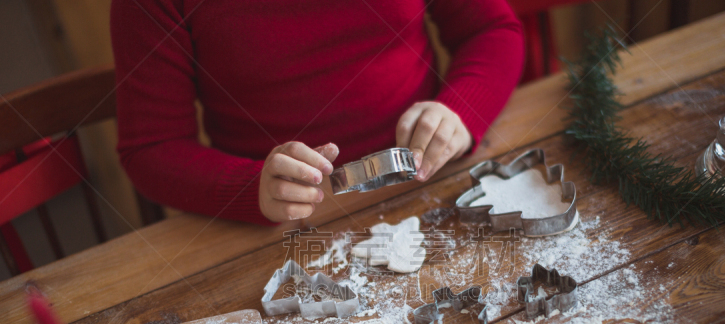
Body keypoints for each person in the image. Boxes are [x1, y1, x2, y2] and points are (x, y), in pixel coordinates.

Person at [111, 0, 524, 225]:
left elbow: (490, 30)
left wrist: (461, 111)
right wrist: (249, 188)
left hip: (430, 185)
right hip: (280, 229)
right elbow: (151, 147)